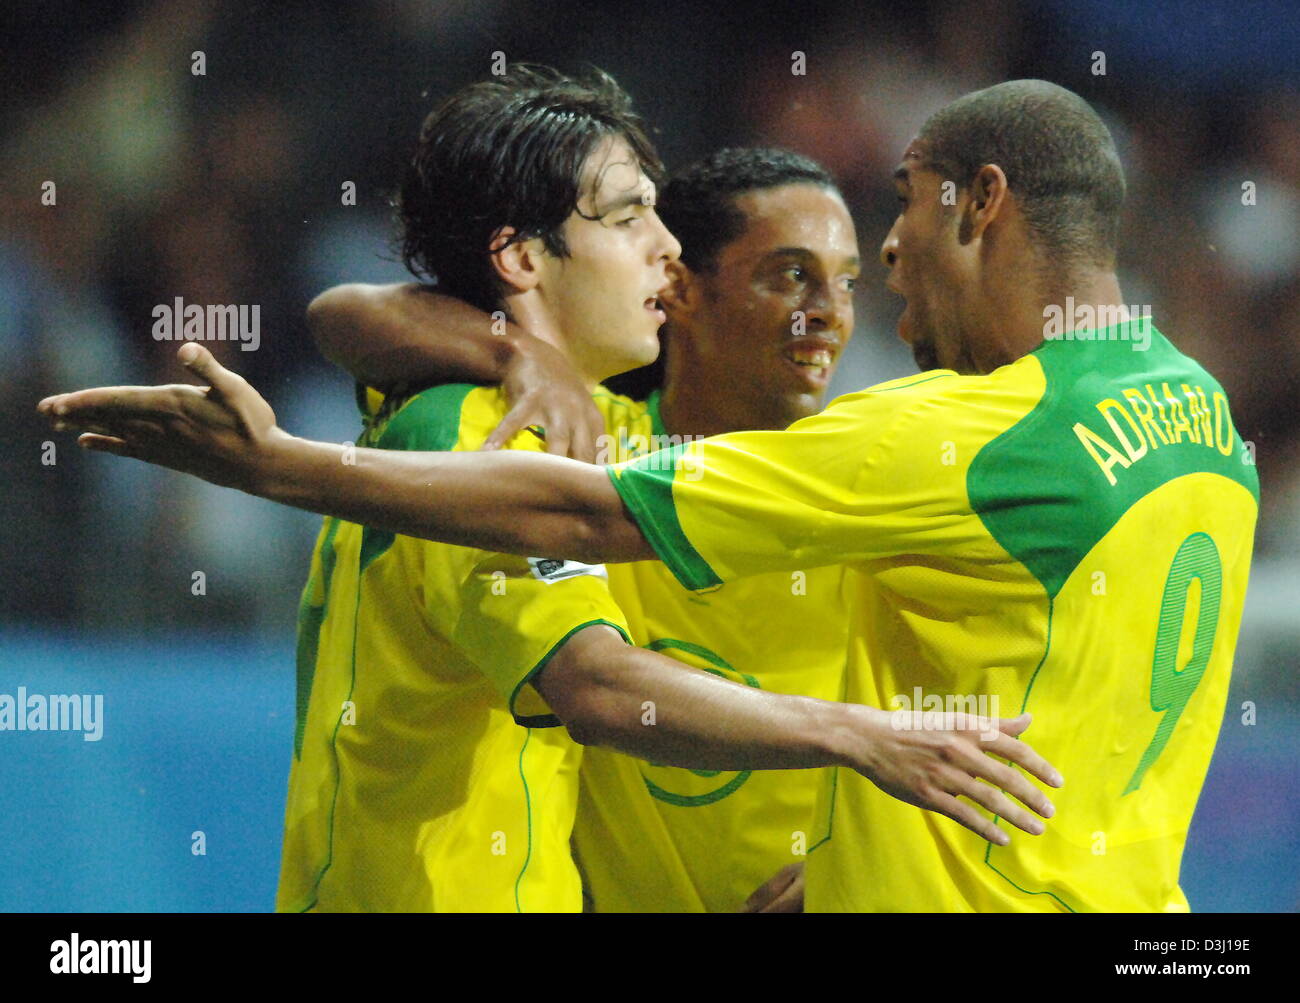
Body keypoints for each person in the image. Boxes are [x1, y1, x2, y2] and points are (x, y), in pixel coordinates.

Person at [56, 83, 1215, 913]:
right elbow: (594, 680)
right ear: (522, 256)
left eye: (853, 277)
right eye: (628, 218)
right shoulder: (483, 434)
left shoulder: (794, 472)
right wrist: (868, 742)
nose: (661, 250)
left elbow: (359, 317)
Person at [307, 147, 863, 912]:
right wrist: (517, 350)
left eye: (849, 280)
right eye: (792, 274)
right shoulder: (572, 441)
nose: (830, 309)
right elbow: (343, 314)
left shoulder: (877, 484)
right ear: (682, 290)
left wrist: (877, 847)